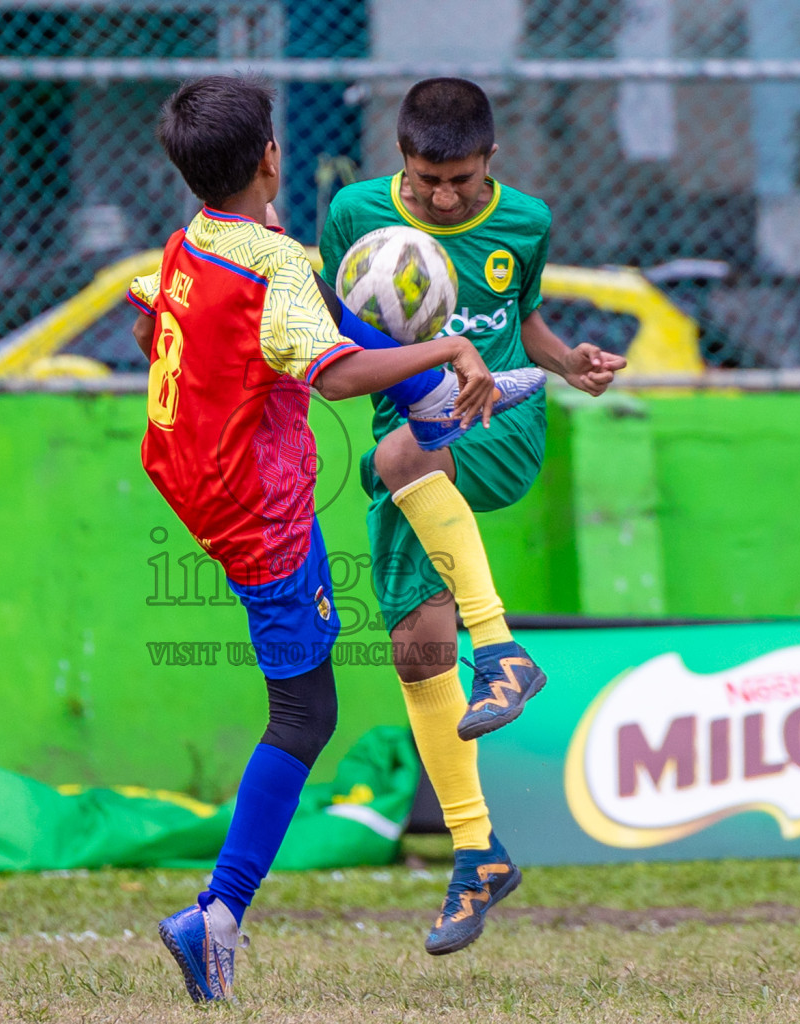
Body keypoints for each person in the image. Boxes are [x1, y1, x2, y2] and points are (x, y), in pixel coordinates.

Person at [126, 75, 548, 1004]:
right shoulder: (273, 264)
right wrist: (442, 345)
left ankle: (446, 407)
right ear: (271, 156)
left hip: (194, 476)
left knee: (370, 361)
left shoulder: (201, 239)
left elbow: (162, 300)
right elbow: (338, 376)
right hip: (256, 514)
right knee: (304, 716)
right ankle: (217, 915)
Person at [320, 78, 628, 955]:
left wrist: (567, 364)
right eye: (424, 181)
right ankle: (475, 856)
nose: (441, 196)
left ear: (489, 160)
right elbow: (345, 325)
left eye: (458, 179)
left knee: (396, 456)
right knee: (417, 651)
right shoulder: (354, 215)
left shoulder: (524, 220)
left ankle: (502, 652)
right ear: (399, 161)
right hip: (407, 438)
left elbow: (520, 318)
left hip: (496, 424)